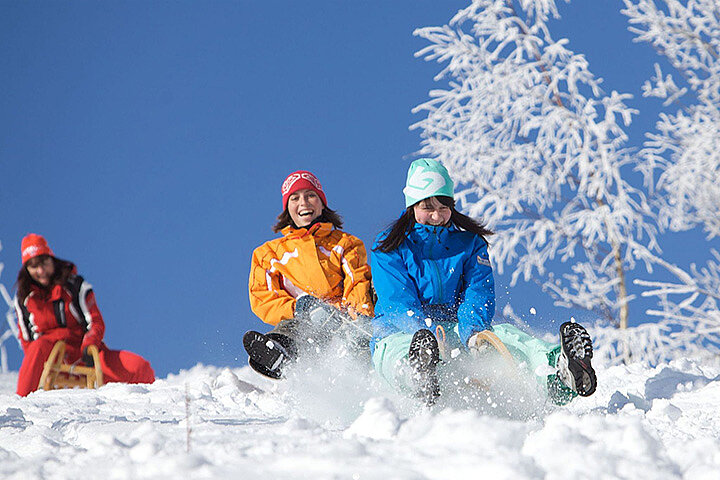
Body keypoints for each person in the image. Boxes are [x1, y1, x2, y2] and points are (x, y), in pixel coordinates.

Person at [370, 158, 597, 406]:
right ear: (412, 206)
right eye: (427, 207)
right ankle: (418, 375)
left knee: (508, 338)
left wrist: (473, 332)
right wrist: (422, 330)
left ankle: (558, 373)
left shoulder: (470, 244)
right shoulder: (389, 246)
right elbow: (396, 300)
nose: (436, 215)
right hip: (402, 330)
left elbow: (477, 292)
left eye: (443, 206)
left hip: (457, 326)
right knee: (396, 349)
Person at [244, 170, 374, 379]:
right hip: (304, 319)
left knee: (372, 300)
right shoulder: (268, 254)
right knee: (293, 327)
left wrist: (356, 315)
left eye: (310, 195)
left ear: (322, 202)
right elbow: (262, 296)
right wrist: (297, 308)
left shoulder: (345, 244)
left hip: (342, 317)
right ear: (288, 208)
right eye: (295, 198)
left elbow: (357, 280)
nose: (303, 202)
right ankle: (279, 353)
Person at [14, 234, 155, 396]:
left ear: (52, 259)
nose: (41, 271)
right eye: (33, 266)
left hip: (84, 353)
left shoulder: (74, 286)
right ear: (27, 270)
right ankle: (23, 406)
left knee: (139, 368)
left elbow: (95, 322)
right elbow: (27, 341)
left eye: (44, 263)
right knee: (37, 347)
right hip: (51, 359)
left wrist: (89, 345)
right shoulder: (24, 298)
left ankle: (145, 413)